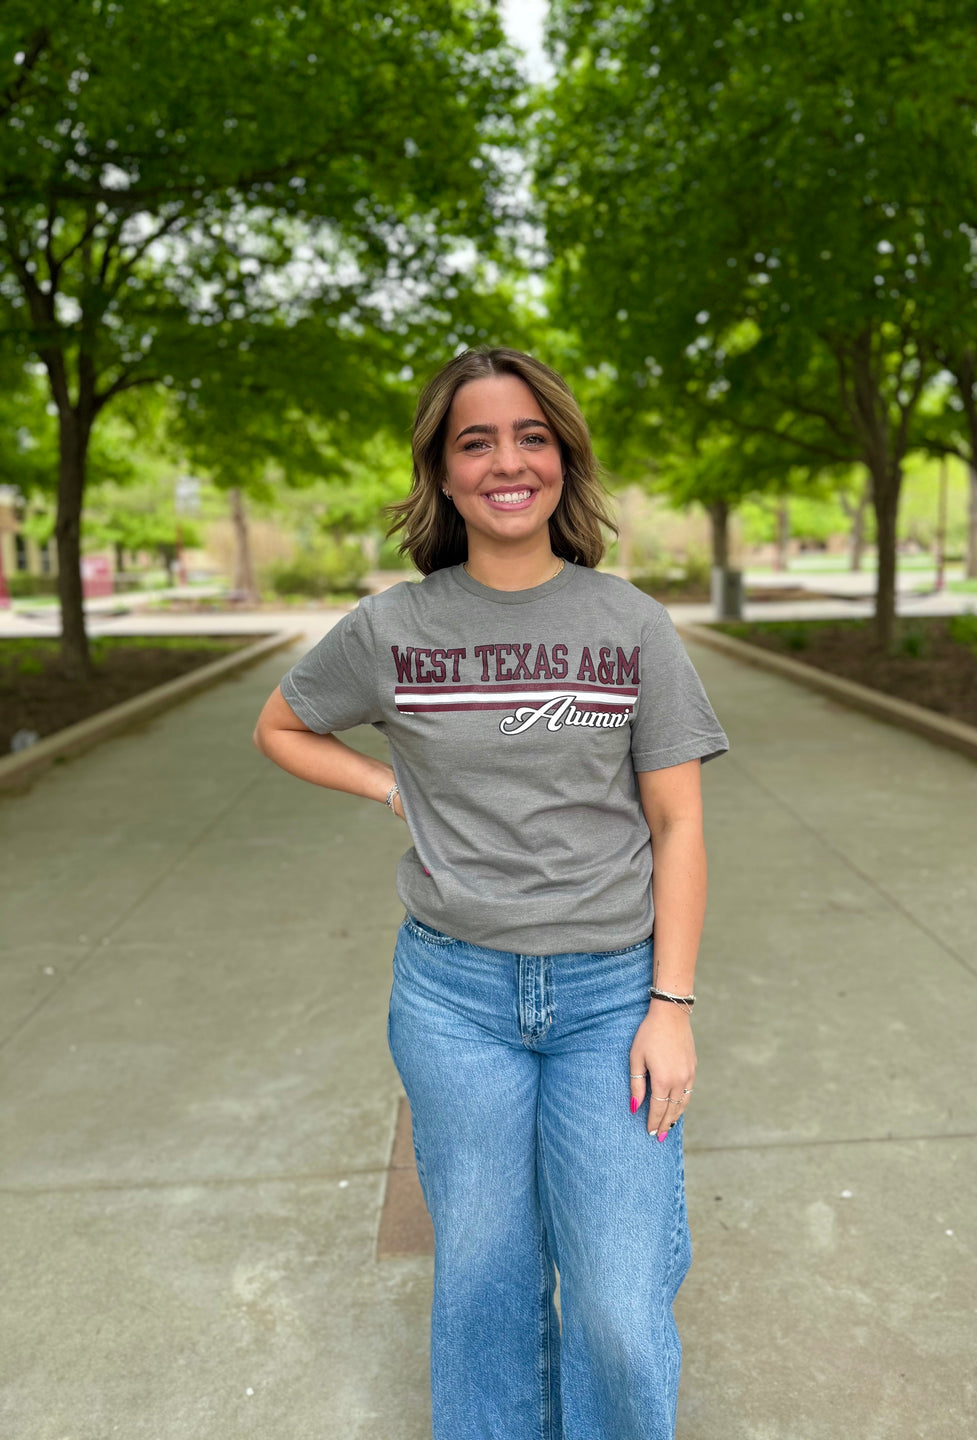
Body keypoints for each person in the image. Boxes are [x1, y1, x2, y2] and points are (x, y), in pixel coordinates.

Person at [253, 346, 728, 1440]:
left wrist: (673, 1006)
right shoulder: (393, 629)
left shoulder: (628, 625)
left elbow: (680, 824)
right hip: (454, 1000)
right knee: (484, 1282)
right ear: (443, 471)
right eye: (477, 440)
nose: (507, 461)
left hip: (614, 999)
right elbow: (281, 725)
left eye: (531, 436)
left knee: (615, 1296)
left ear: (563, 457)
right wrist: (384, 782)